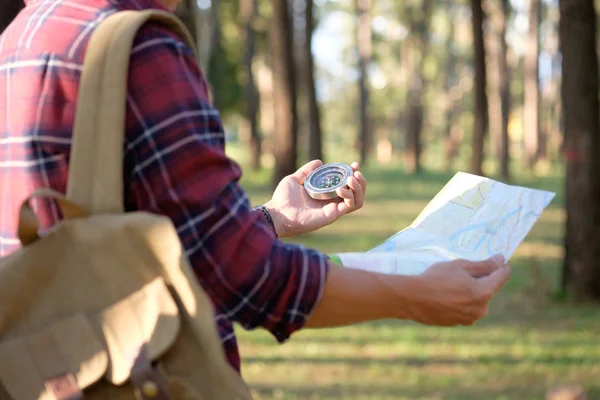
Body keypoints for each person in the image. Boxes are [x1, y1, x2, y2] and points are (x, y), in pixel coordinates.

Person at [0, 0, 511, 374]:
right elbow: (245, 277)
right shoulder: (140, 48)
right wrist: (413, 294)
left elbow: (138, 239)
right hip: (132, 375)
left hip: (39, 371)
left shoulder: (22, 34)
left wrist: (271, 219)